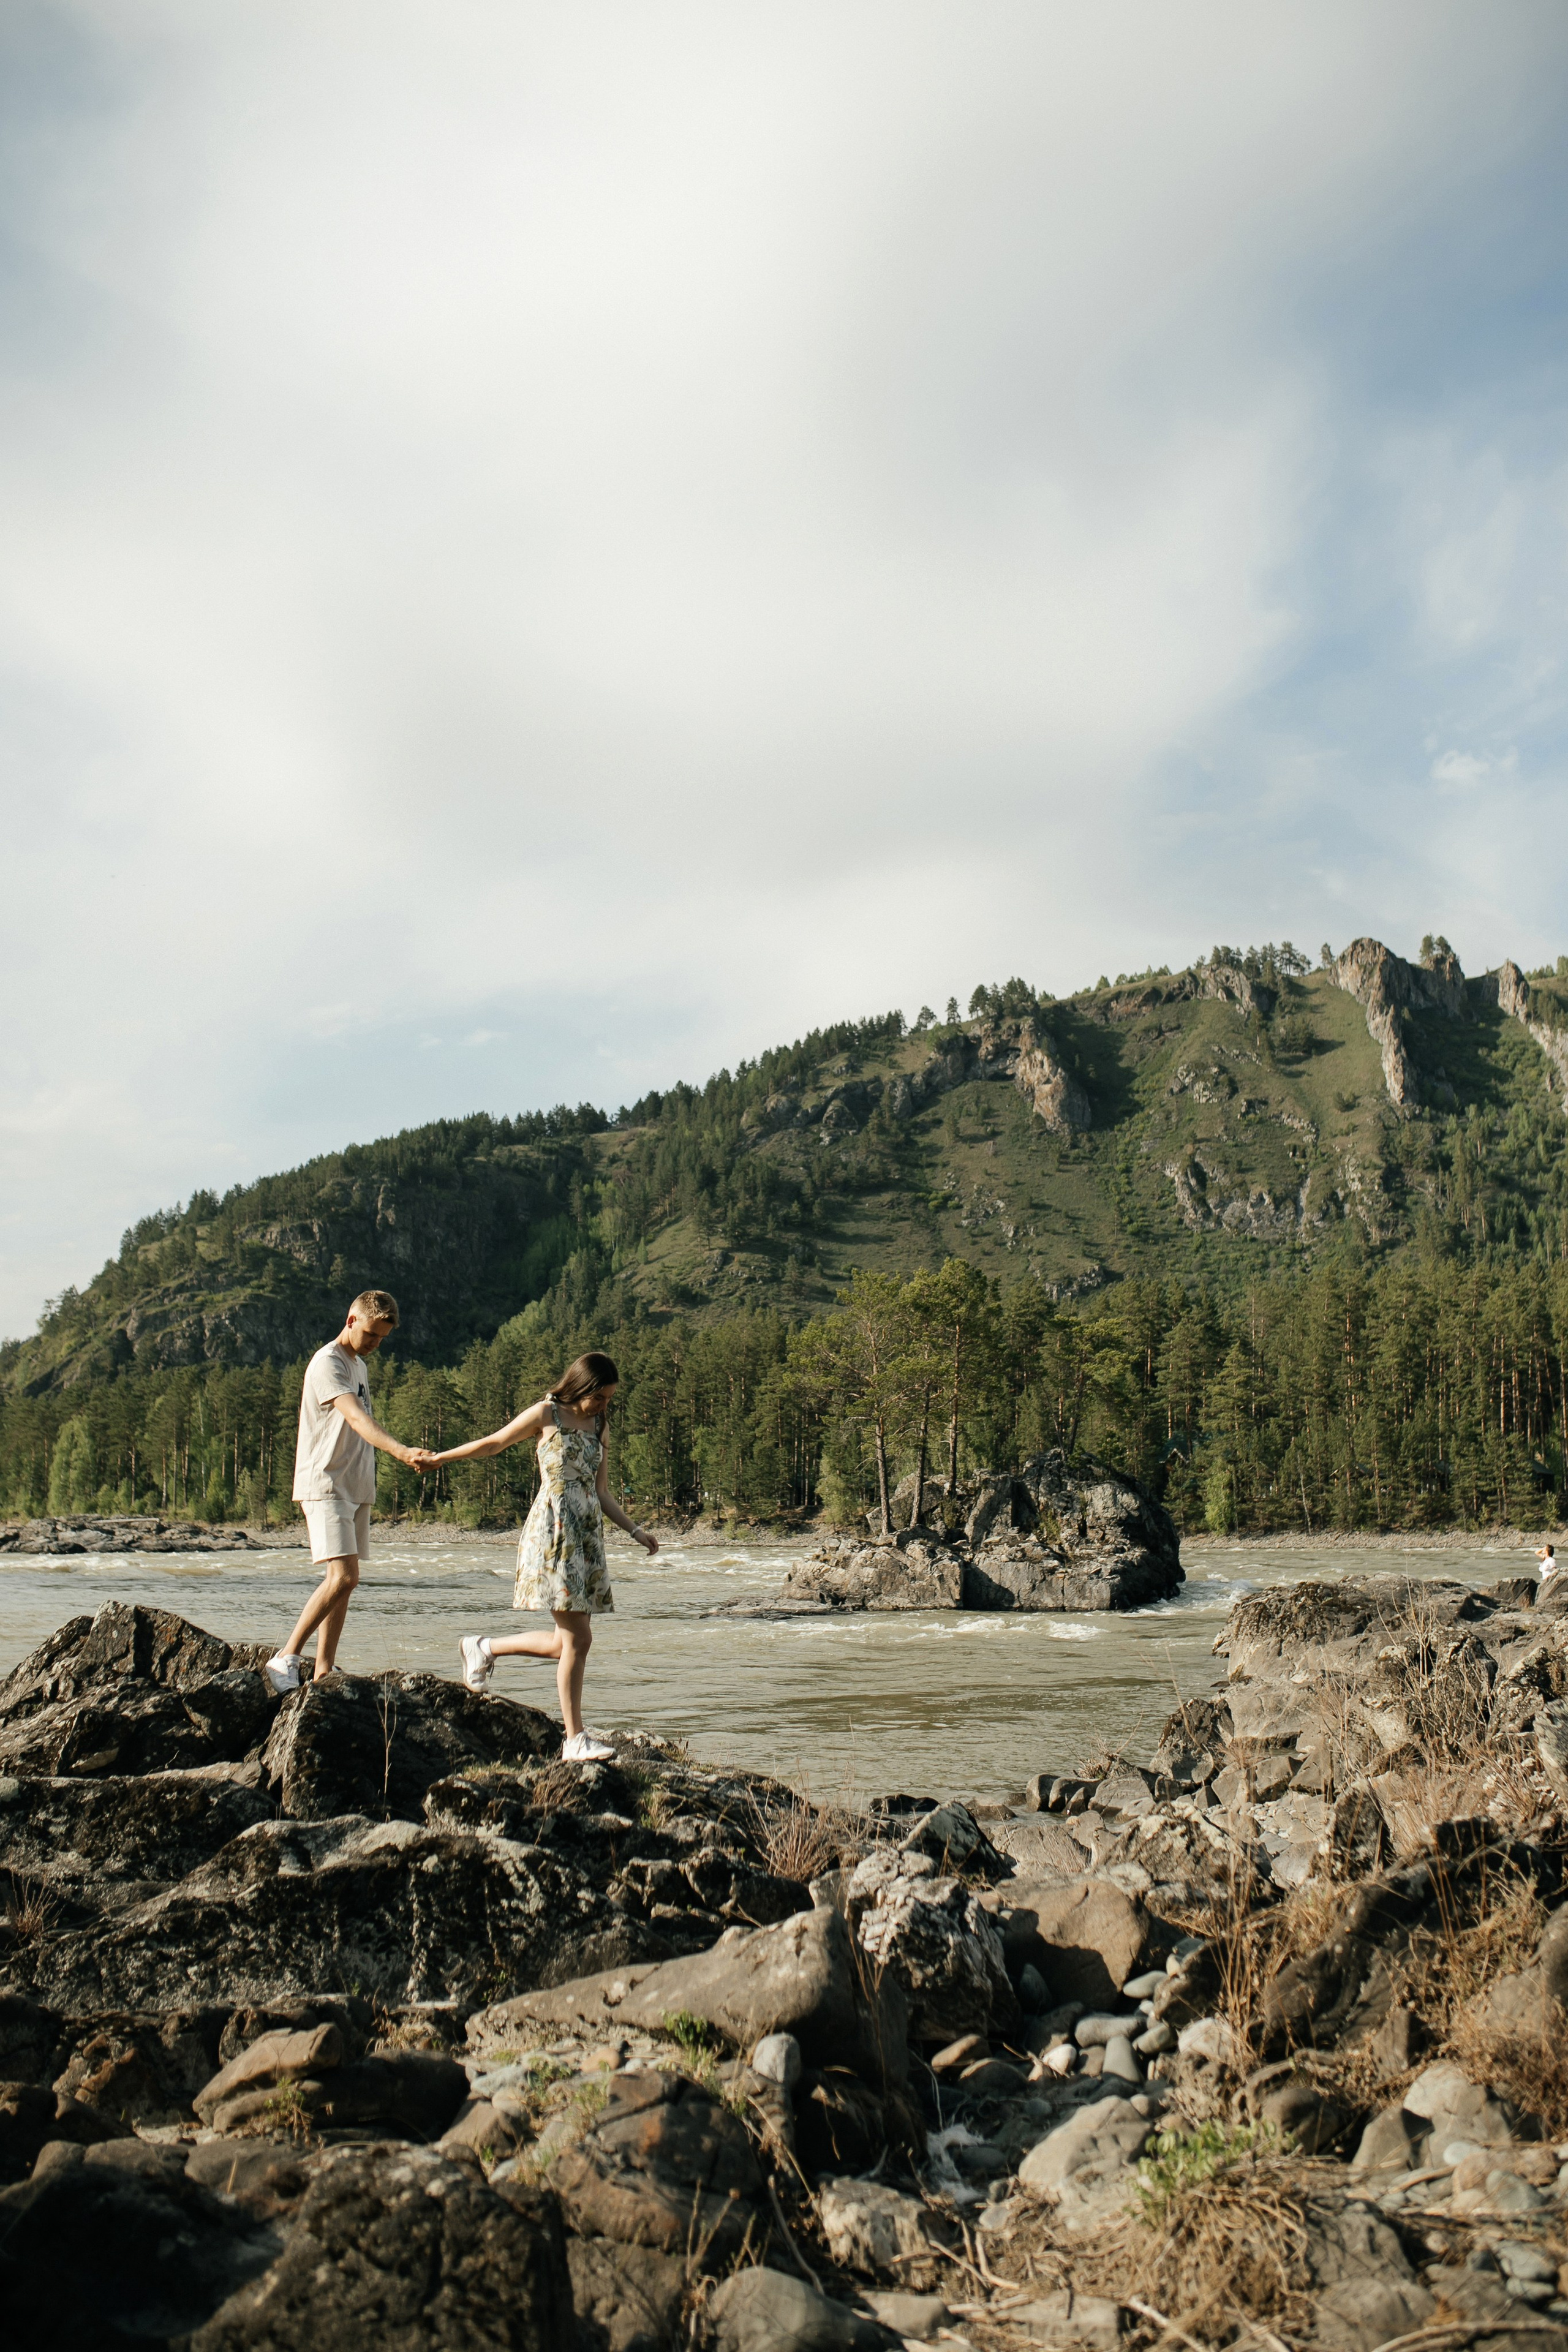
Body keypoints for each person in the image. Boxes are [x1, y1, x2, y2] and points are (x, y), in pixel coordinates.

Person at [434, 1350, 657, 1762]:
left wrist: (635, 1530)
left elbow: (602, 1491)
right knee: (579, 1639)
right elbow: (493, 1444)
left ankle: (483, 1647)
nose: (605, 1406)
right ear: (582, 1387)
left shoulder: (599, 1425)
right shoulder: (547, 1415)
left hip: (587, 1537)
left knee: (563, 1644)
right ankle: (575, 1739)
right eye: (601, 1397)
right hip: (553, 1532)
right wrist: (441, 1458)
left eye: (609, 1399)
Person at [265, 1289, 437, 1693]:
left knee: (341, 1582)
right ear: (351, 1320)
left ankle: (323, 1669)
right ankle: (286, 1657)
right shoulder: (329, 1364)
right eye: (371, 1335)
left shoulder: (358, 1365)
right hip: (326, 1482)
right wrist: (400, 1450)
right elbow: (357, 1420)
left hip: (355, 1486)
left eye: (382, 1338)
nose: (376, 1344)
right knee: (344, 1577)